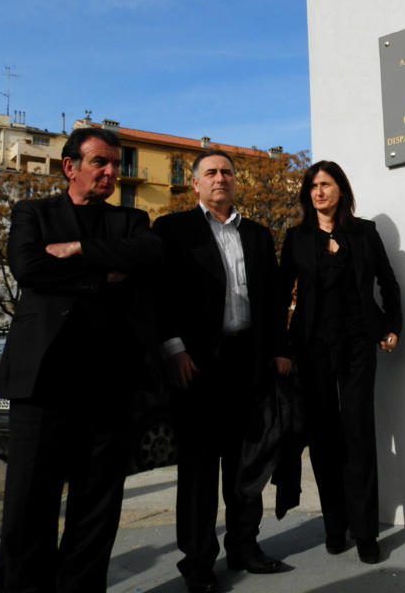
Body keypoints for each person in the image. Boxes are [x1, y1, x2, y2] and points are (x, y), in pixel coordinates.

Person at [0, 127, 164, 593]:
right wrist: (101, 274)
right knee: (29, 509)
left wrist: (79, 250)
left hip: (109, 385)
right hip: (44, 383)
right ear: (70, 167)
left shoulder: (131, 222)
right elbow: (28, 266)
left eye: (116, 163)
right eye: (100, 163)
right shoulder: (33, 212)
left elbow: (150, 254)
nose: (111, 172)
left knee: (96, 511)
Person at [153, 149, 287, 593]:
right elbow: (160, 295)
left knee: (247, 465)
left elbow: (271, 300)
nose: (220, 178)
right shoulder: (173, 230)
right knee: (198, 469)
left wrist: (278, 351)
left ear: (236, 180)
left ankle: (244, 547)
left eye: (227, 172)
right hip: (198, 364)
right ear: (195, 183)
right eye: (210, 172)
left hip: (248, 362)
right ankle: (197, 563)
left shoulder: (258, 235)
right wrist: (173, 348)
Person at [280, 160, 402, 565]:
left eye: (326, 184)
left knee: (359, 437)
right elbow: (281, 295)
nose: (319, 192)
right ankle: (335, 526)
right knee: (324, 440)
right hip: (313, 347)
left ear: (341, 190)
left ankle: (366, 532)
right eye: (313, 186)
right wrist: (280, 347)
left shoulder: (364, 233)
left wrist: (393, 324)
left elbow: (387, 280)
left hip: (357, 346)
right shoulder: (297, 238)